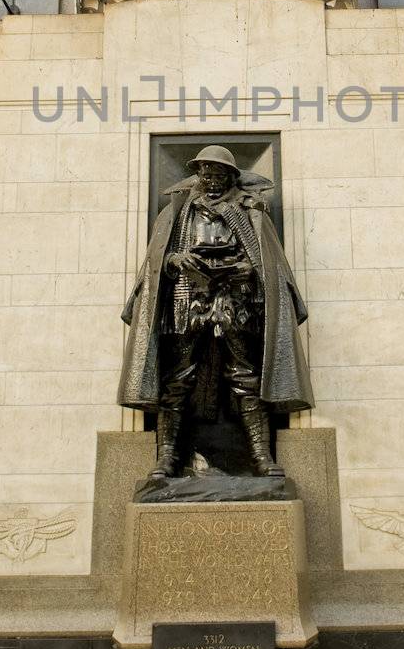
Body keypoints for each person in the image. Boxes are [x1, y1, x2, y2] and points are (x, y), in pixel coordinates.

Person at [119, 145, 312, 481]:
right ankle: (166, 458)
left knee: (245, 376)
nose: (210, 179)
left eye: (217, 173)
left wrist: (247, 269)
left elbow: (264, 260)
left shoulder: (250, 212)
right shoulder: (177, 212)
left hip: (234, 300)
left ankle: (261, 456)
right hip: (187, 299)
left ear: (230, 176)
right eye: (205, 172)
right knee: (177, 379)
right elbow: (158, 259)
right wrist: (176, 261)